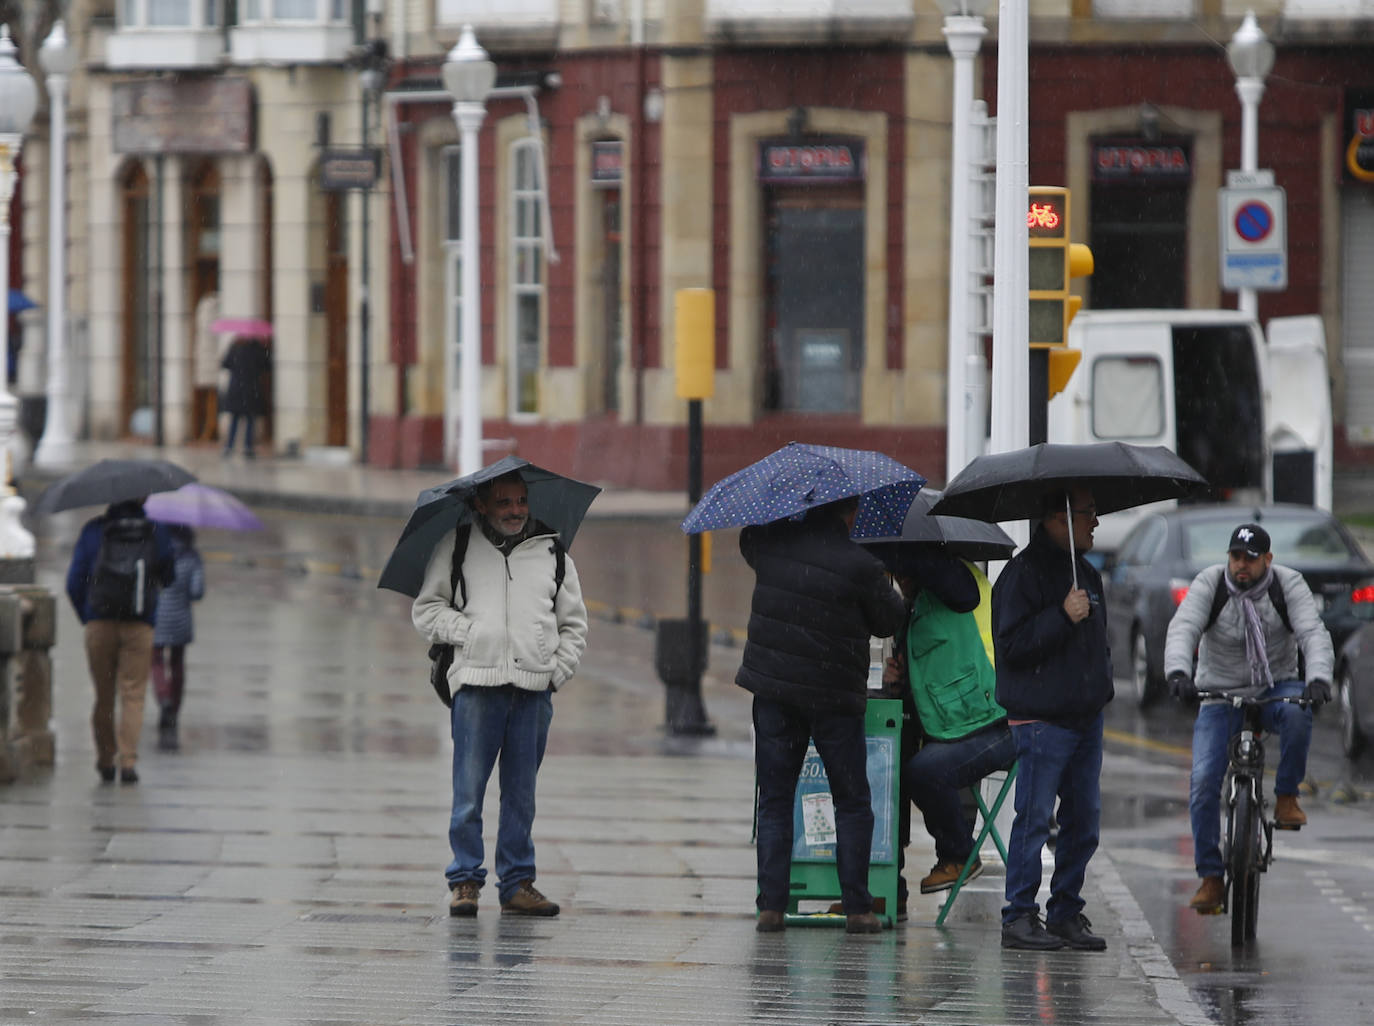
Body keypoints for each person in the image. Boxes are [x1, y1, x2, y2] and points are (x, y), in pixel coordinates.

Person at [411, 471, 588, 918]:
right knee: (468, 792)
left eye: (521, 501)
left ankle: (517, 883)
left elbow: (574, 625)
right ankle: (465, 881)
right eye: (504, 502)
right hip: (476, 685)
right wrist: (469, 632)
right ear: (483, 505)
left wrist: (555, 671)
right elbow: (426, 611)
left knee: (521, 795)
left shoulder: (552, 551)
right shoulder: (457, 546)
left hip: (532, 690)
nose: (515, 510)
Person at [737, 497, 907, 935]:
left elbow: (748, 539)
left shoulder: (772, 545)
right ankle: (857, 908)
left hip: (774, 691)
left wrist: (783, 513)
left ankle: (771, 907)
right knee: (851, 801)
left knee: (775, 799)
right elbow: (889, 620)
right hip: (834, 698)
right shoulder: (859, 563)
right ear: (849, 513)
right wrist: (889, 587)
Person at [1163, 522, 1333, 914]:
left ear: (1267, 561)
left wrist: (1319, 679)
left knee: (1297, 714)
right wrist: (1178, 674)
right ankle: (1210, 877)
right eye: (1236, 557)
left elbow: (1312, 632)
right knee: (1204, 781)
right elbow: (1183, 628)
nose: (1242, 566)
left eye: (1251, 559)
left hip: (1276, 685)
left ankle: (1287, 796)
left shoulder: (1287, 585)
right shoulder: (1210, 584)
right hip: (1219, 691)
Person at [992, 486, 1113, 952]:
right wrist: (1061, 616)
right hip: (1041, 720)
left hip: (1085, 717)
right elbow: (1013, 648)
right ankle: (1019, 915)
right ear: (1059, 519)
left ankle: (1065, 911)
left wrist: (1102, 690)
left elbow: (1098, 643)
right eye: (1089, 513)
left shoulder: (1086, 574)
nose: (1096, 523)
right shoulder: (1021, 576)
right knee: (1034, 819)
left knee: (1084, 820)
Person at [892, 550, 1016, 900]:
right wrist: (899, 680)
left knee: (925, 772)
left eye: (902, 572)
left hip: (998, 720)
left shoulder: (953, 580)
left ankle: (959, 856)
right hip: (963, 721)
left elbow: (961, 601)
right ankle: (891, 880)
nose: (899, 581)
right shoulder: (919, 602)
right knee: (900, 768)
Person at [65, 498, 175, 784]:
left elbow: (74, 581)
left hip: (99, 622)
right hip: (139, 624)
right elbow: (169, 576)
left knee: (103, 696)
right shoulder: (157, 530)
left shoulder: (93, 531)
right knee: (133, 694)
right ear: (143, 499)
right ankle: (127, 761)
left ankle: (105, 758)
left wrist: (88, 615)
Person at [151, 525, 206, 752]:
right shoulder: (192, 557)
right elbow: (197, 592)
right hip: (181, 619)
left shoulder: (157, 549)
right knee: (177, 663)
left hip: (157, 616)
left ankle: (163, 698)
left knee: (155, 662)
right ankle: (174, 708)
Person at [221, 335, 271, 459]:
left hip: (236, 389)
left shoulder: (234, 348)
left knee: (234, 420)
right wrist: (264, 348)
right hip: (251, 389)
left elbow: (225, 364)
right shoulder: (256, 349)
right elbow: (266, 366)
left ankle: (229, 446)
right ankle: (248, 446)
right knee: (250, 419)